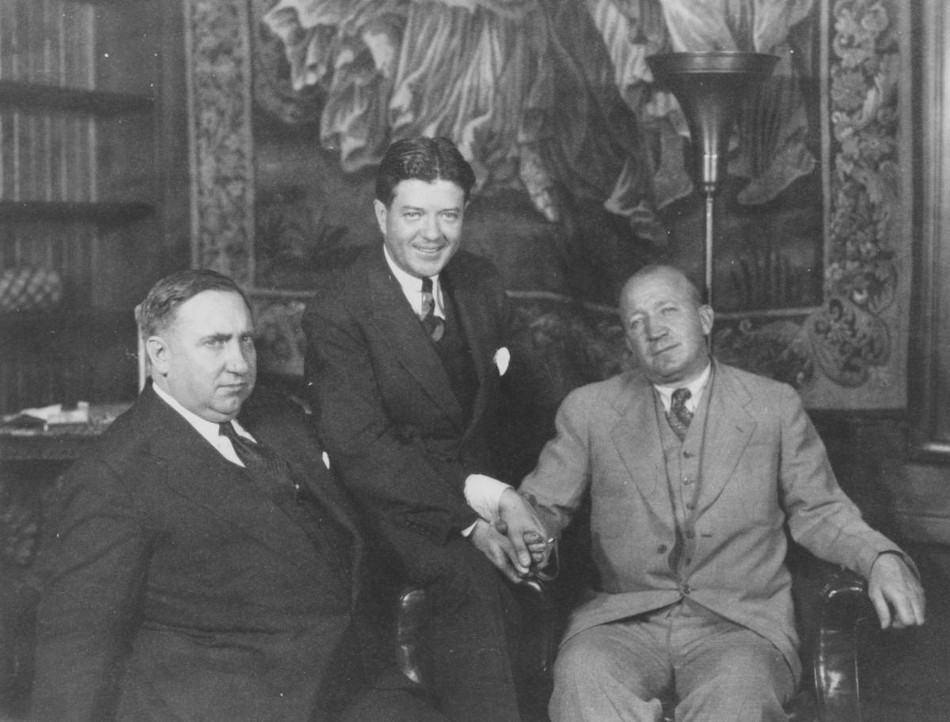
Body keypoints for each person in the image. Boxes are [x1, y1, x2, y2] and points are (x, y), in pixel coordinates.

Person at [490, 264, 925, 721]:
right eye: (637, 323)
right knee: (583, 681)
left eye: (667, 311)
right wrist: (521, 525)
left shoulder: (772, 405)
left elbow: (820, 509)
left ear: (705, 319)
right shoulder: (590, 409)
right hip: (622, 623)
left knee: (737, 698)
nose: (654, 331)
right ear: (628, 341)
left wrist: (879, 557)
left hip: (741, 626)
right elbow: (541, 506)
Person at [31, 269, 447, 722]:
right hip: (232, 702)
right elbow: (75, 644)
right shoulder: (115, 474)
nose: (240, 363)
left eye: (245, 341)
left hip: (353, 679)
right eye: (215, 343)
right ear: (159, 355)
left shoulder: (277, 416)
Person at [302, 136, 547, 722]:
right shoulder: (339, 310)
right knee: (473, 588)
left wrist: (524, 503)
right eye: (414, 214)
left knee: (553, 562)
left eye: (449, 214)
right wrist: (474, 519)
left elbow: (529, 404)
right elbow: (365, 452)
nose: (432, 233)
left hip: (485, 486)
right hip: (394, 508)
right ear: (382, 215)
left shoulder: (480, 283)